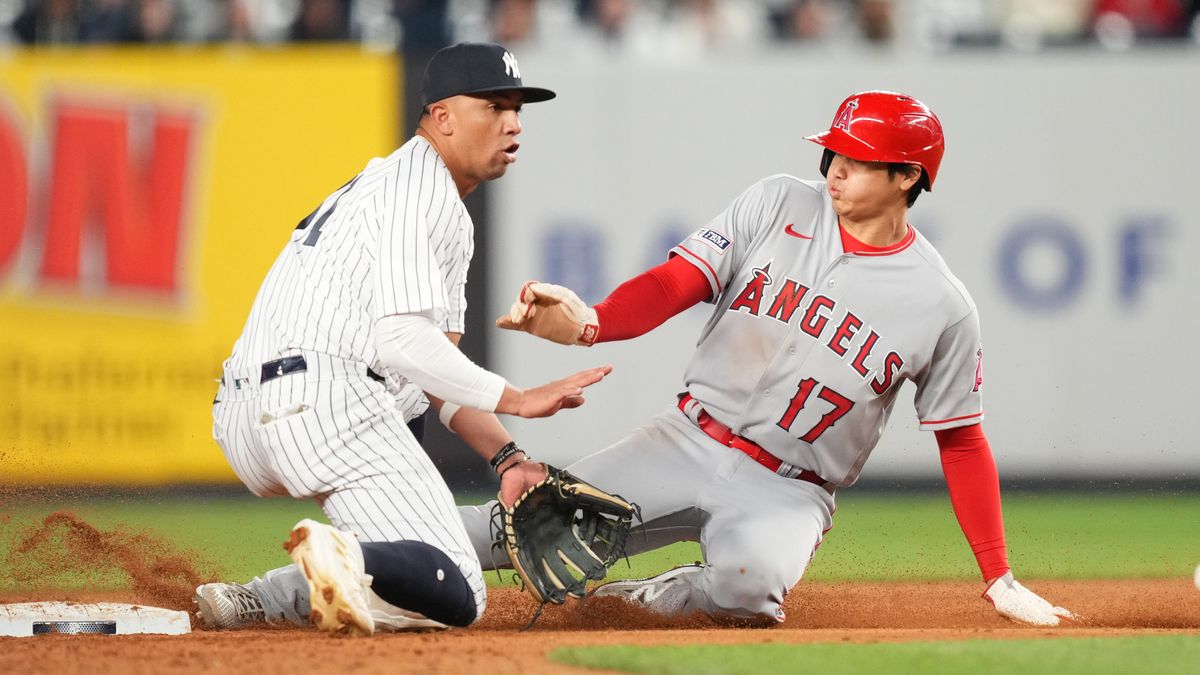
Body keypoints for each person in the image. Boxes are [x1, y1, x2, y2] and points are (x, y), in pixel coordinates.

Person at [458, 91, 1075, 627]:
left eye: (857, 159)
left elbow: (962, 441)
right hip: (684, 439)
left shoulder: (942, 304)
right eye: (833, 152)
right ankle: (364, 554)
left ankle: (645, 601)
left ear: (908, 176)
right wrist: (593, 322)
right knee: (510, 531)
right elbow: (678, 283)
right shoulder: (779, 202)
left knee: (748, 591)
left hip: (789, 492)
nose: (835, 169)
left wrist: (998, 574)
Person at [194, 41, 610, 635]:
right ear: (441, 117)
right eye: (493, 106)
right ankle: (348, 555)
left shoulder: (388, 184)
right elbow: (403, 342)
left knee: (413, 566)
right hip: (324, 404)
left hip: (246, 414)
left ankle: (263, 599)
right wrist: (517, 398)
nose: (513, 123)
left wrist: (507, 456)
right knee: (461, 591)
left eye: (517, 108)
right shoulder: (424, 192)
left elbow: (428, 371)